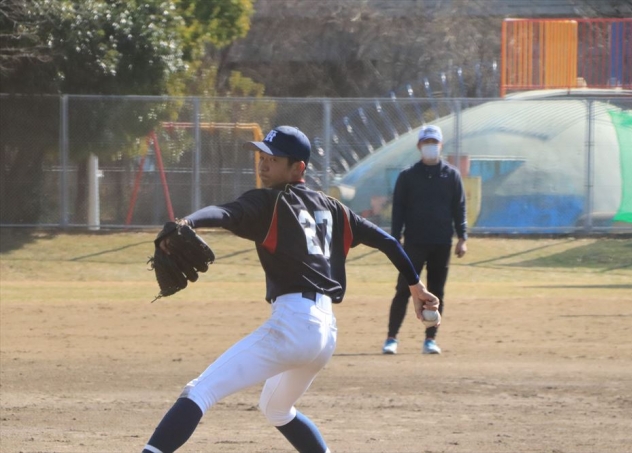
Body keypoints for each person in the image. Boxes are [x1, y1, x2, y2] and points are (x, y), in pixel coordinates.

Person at [141, 125, 439, 453]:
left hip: (294, 324)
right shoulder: (334, 208)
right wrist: (416, 286)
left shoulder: (268, 202)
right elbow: (388, 241)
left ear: (298, 167)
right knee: (277, 409)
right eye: (262, 156)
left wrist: (188, 222)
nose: (264, 163)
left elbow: (225, 213)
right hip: (324, 335)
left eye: (274, 158)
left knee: (199, 391)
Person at [382, 124, 467, 355]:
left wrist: (462, 237)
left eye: (434, 143)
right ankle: (391, 338)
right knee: (403, 289)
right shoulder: (407, 176)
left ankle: (430, 339)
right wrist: (394, 240)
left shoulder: (451, 176)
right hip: (414, 243)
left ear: (441, 145)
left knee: (436, 292)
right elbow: (398, 210)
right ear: (419, 146)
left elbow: (459, 207)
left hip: (442, 243)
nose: (430, 146)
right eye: (426, 142)